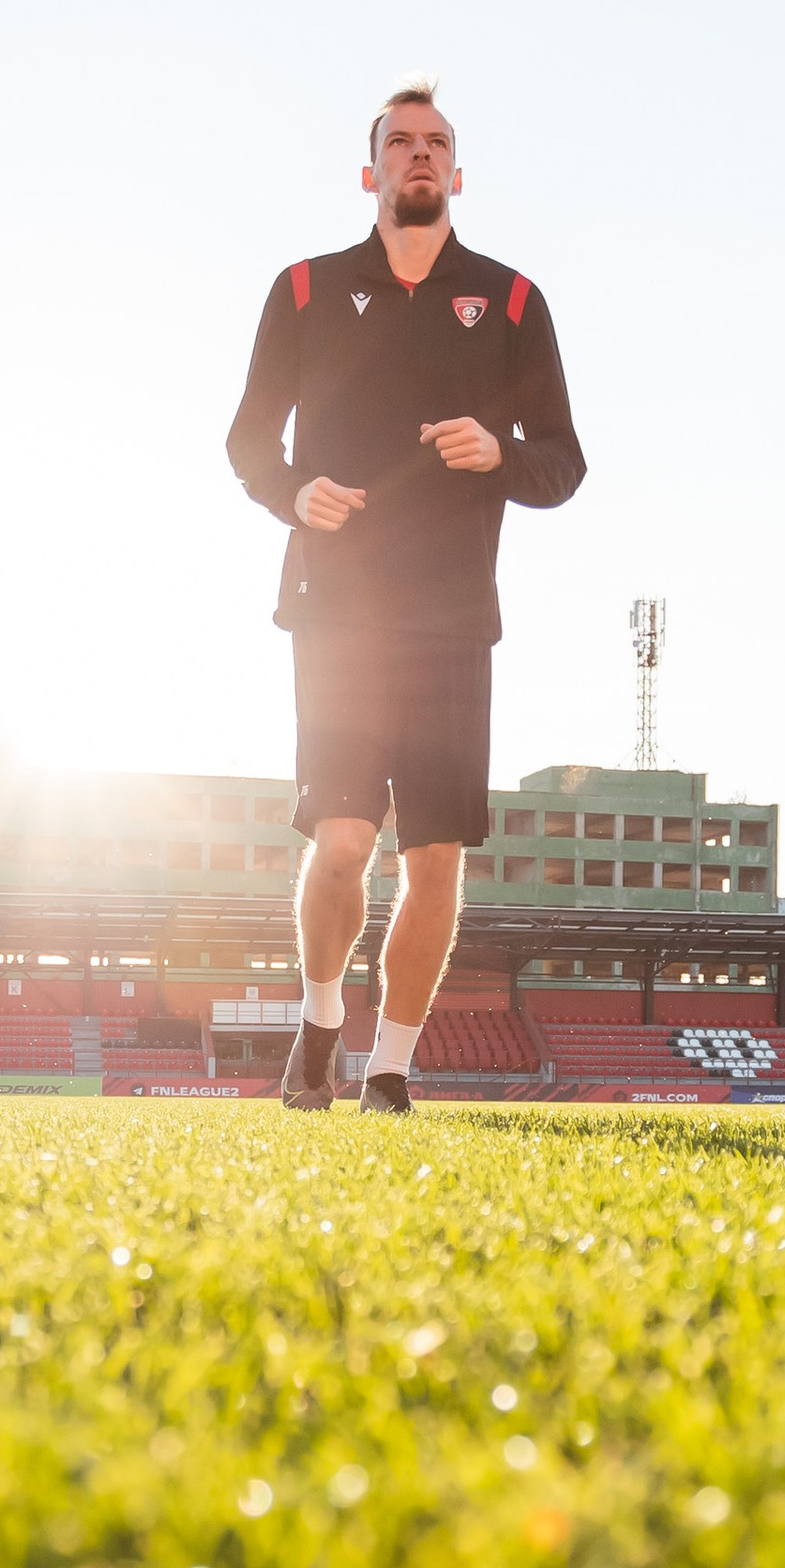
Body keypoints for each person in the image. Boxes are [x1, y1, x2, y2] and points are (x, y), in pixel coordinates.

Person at [226, 77, 586, 1114]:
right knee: (341, 842)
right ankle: (321, 1020)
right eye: (400, 143)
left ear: (457, 173)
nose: (418, 155)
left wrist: (498, 451)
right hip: (335, 611)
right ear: (370, 170)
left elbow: (562, 463)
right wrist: (292, 493)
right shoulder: (301, 290)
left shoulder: (512, 300)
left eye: (435, 143)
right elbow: (247, 442)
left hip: (450, 621)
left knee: (433, 858)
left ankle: (389, 1064)